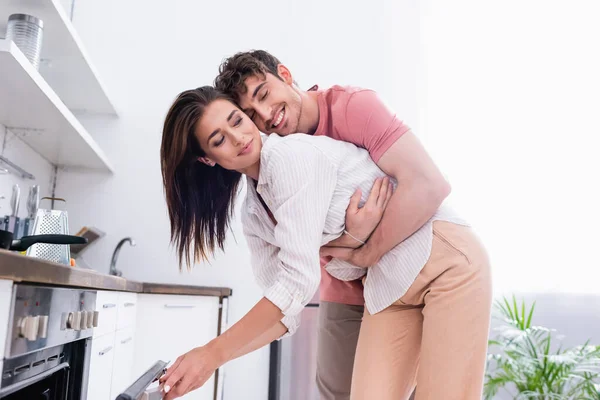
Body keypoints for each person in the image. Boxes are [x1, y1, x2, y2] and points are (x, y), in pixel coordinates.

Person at [159, 86, 492, 400]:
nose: (238, 138)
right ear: (207, 159)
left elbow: (296, 283)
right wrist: (210, 360)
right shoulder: (254, 214)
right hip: (388, 286)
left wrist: (211, 353)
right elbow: (283, 310)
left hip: (444, 261)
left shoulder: (290, 157)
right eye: (219, 140)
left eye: (237, 120)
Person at [214, 50, 453, 400]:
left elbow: (429, 185)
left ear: (285, 73)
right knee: (337, 390)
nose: (266, 116)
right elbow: (286, 284)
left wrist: (367, 248)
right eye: (250, 115)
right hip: (345, 285)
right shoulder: (275, 166)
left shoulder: (352, 107)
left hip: (409, 271)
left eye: (264, 95)